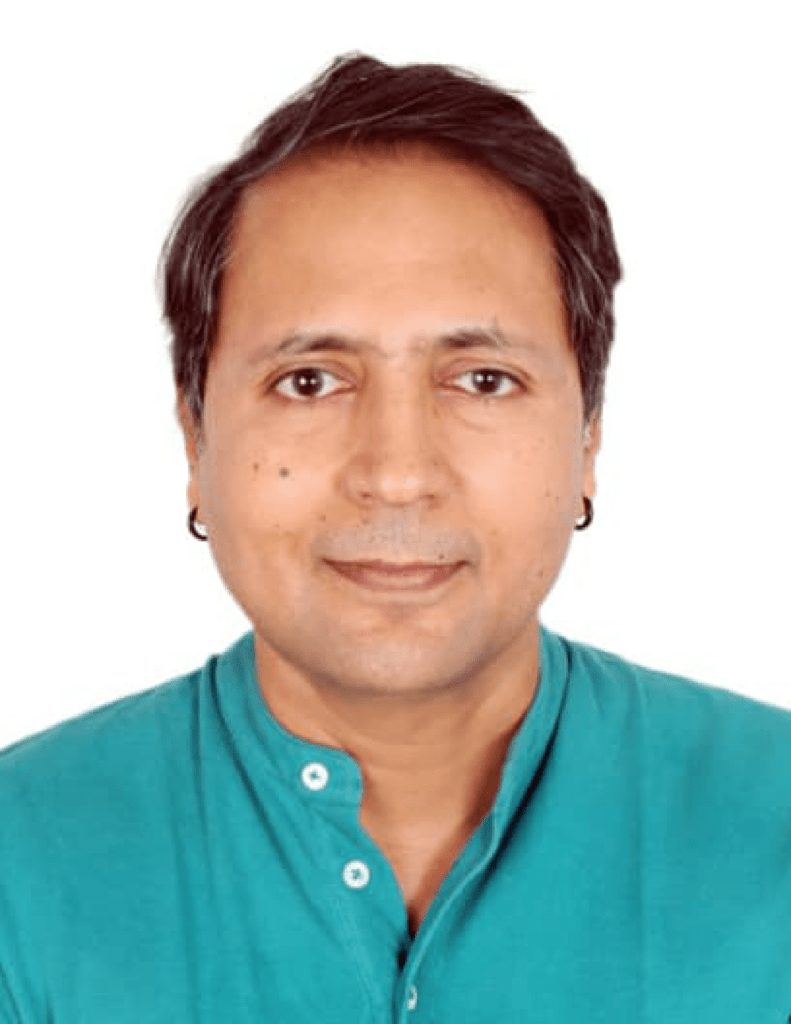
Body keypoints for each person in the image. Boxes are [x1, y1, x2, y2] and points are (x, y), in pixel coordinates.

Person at [1, 51, 789, 1023]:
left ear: (587, 436)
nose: (397, 471)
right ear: (195, 435)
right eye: (309, 381)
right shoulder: (19, 866)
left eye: (482, 379)